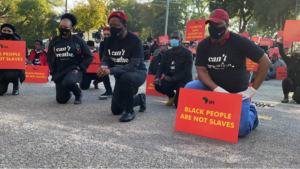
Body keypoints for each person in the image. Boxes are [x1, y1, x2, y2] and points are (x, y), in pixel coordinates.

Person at [184, 9, 270, 137]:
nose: (213, 28)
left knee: (240, 131)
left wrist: (252, 90)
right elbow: (201, 71)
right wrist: (216, 88)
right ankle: (208, 116)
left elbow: (265, 62)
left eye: (217, 24)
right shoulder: (204, 45)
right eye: (211, 25)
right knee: (190, 88)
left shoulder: (240, 41)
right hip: (213, 88)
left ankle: (251, 112)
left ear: (227, 25)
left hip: (237, 92)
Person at [97, 11, 147, 122]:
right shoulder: (108, 41)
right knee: (116, 110)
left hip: (137, 73)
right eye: (110, 25)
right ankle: (140, 99)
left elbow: (133, 66)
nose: (112, 28)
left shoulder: (135, 40)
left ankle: (130, 111)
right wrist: (104, 66)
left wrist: (111, 70)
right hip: (121, 75)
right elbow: (106, 58)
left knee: (126, 77)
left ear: (124, 26)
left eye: (115, 25)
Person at [47, 13, 93, 104]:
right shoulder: (54, 41)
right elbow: (49, 58)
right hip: (60, 71)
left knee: (68, 82)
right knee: (61, 100)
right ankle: (67, 91)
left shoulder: (78, 40)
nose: (62, 28)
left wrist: (81, 66)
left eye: (65, 27)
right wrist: (53, 72)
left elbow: (89, 56)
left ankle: (78, 94)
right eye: (61, 26)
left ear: (71, 29)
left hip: (74, 69)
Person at [154, 31, 193, 108]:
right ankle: (172, 96)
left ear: (181, 39)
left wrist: (172, 79)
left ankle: (178, 98)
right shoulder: (168, 52)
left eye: (176, 38)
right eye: (172, 38)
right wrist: (157, 78)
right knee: (158, 85)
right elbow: (161, 66)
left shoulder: (187, 53)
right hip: (169, 79)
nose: (174, 40)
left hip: (182, 81)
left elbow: (187, 71)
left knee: (178, 105)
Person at [0, 24, 26, 96]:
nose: (6, 32)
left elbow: (25, 56)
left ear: (13, 32)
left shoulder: (19, 43)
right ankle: (4, 83)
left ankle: (15, 86)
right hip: (1, 70)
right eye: (4, 30)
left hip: (14, 69)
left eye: (9, 31)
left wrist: (24, 63)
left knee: (11, 75)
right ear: (1, 31)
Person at [278, 37, 300, 103]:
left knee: (297, 100)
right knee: (285, 80)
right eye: (294, 55)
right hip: (291, 84)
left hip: (299, 85)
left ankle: (296, 95)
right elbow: (282, 53)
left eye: (298, 55)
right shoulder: (289, 61)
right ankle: (286, 96)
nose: (296, 57)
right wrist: (280, 44)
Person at [98, 26, 113, 98]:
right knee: (102, 69)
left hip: (118, 62)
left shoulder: (117, 42)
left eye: (108, 34)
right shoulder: (102, 44)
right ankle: (108, 91)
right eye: (104, 34)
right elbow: (101, 57)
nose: (106, 36)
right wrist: (103, 65)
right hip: (107, 62)